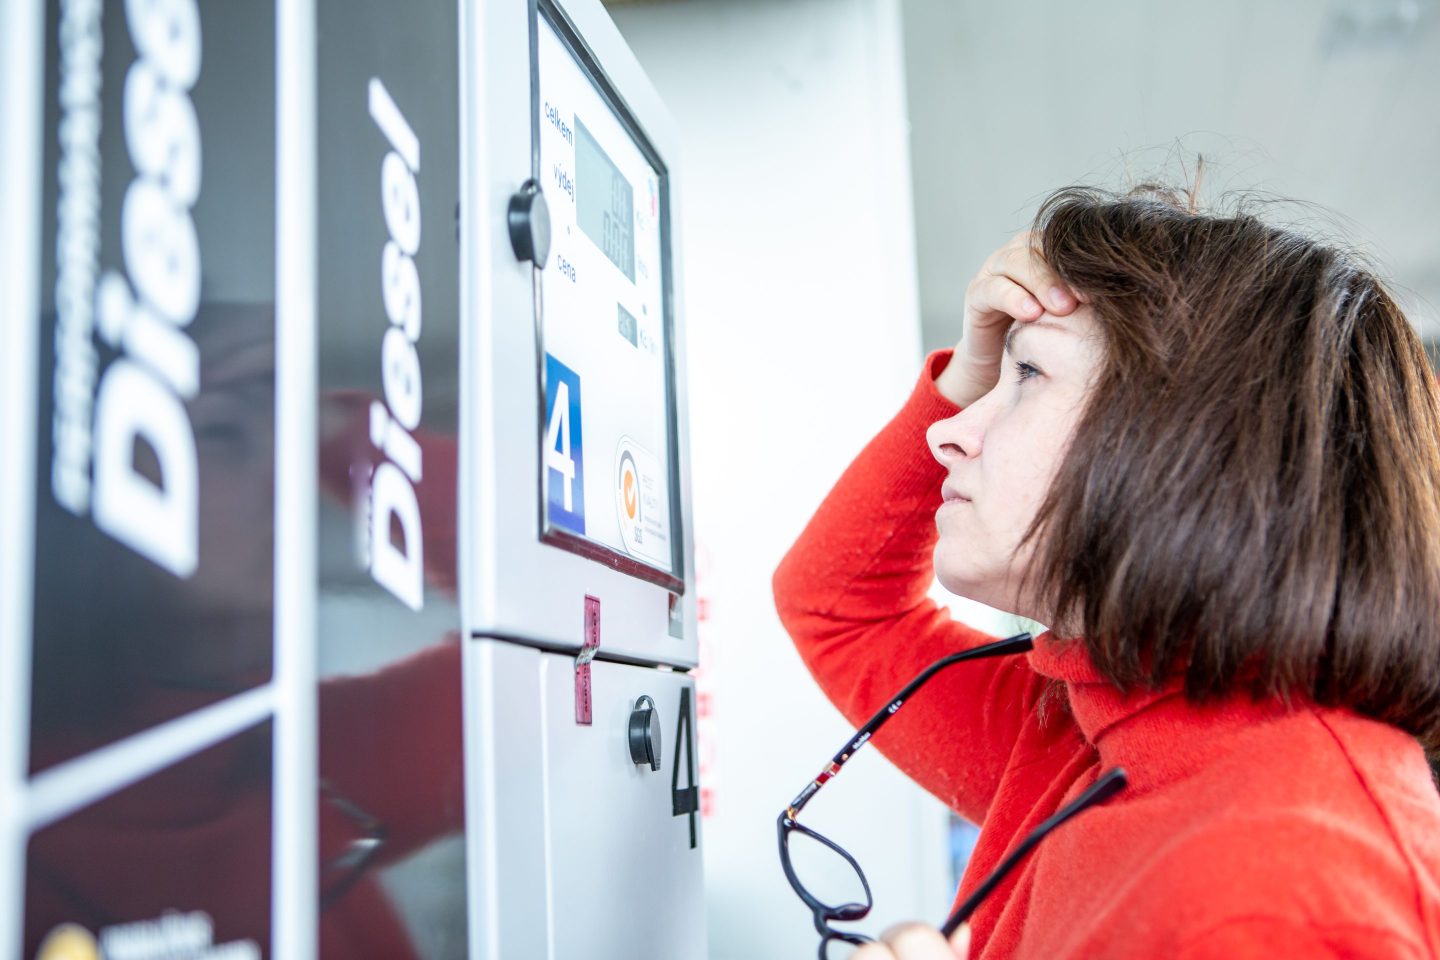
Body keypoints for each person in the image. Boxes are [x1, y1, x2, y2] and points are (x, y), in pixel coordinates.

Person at [773, 182, 1440, 959]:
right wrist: (973, 368)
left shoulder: (1296, 889)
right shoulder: (1082, 730)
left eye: (1027, 377)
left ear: (1185, 443)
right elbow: (836, 604)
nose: (948, 434)